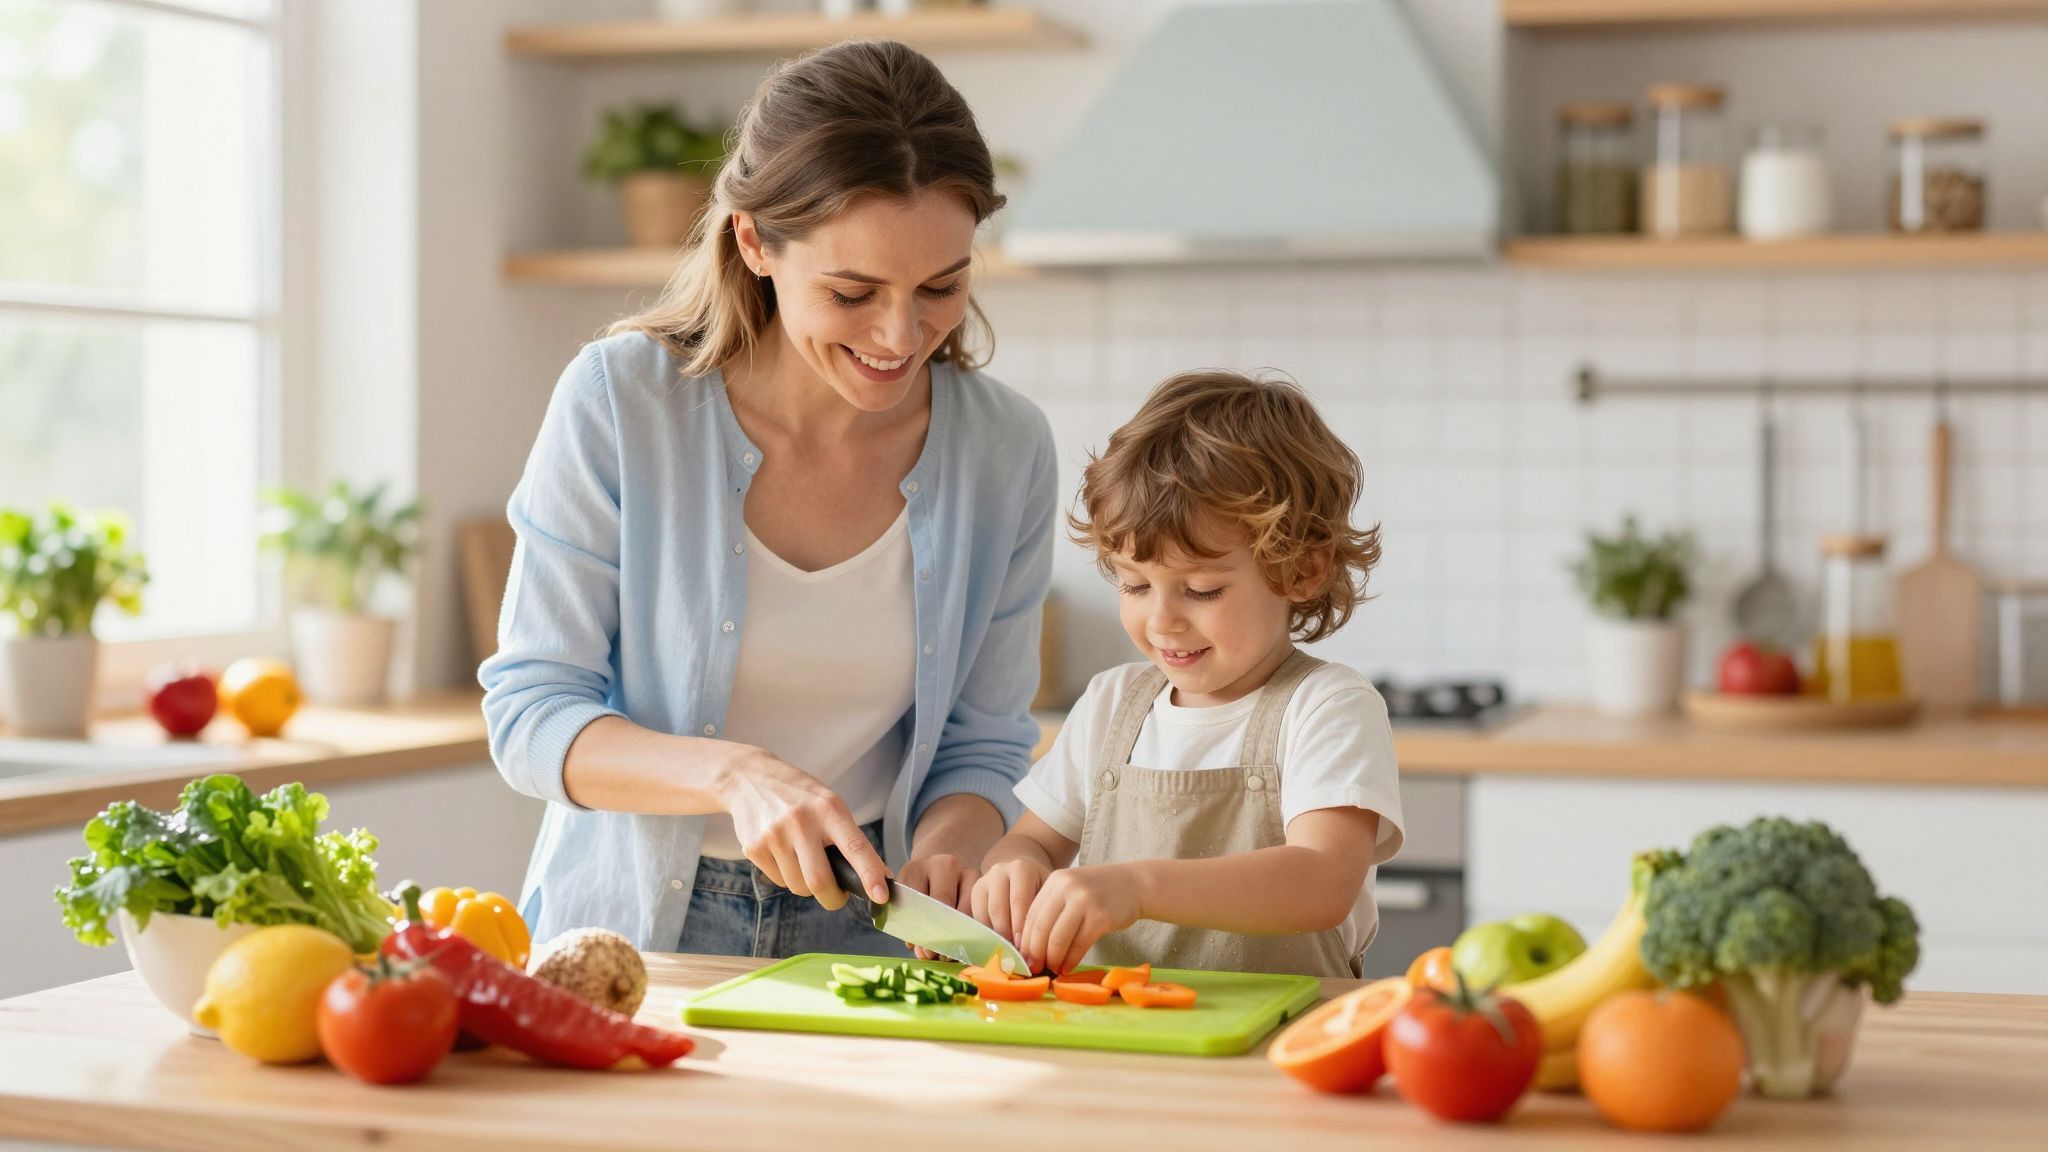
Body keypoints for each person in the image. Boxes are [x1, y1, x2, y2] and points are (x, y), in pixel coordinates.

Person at [481, 39, 1056, 959]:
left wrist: (952, 846)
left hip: (877, 928)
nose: (901, 334)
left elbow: (983, 742)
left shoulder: (1004, 449)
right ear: (754, 241)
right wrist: (734, 776)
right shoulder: (623, 402)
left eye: (940, 286)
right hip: (635, 934)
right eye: (853, 290)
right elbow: (531, 715)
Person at [971, 371, 1404, 978]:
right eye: (1135, 584)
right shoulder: (1111, 703)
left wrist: (1137, 887)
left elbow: (1322, 880)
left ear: (1303, 571)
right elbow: (1032, 843)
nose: (1162, 621)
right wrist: (1011, 869)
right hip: (1120, 1037)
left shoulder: (1327, 706)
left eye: (1201, 590)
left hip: (1282, 1042)